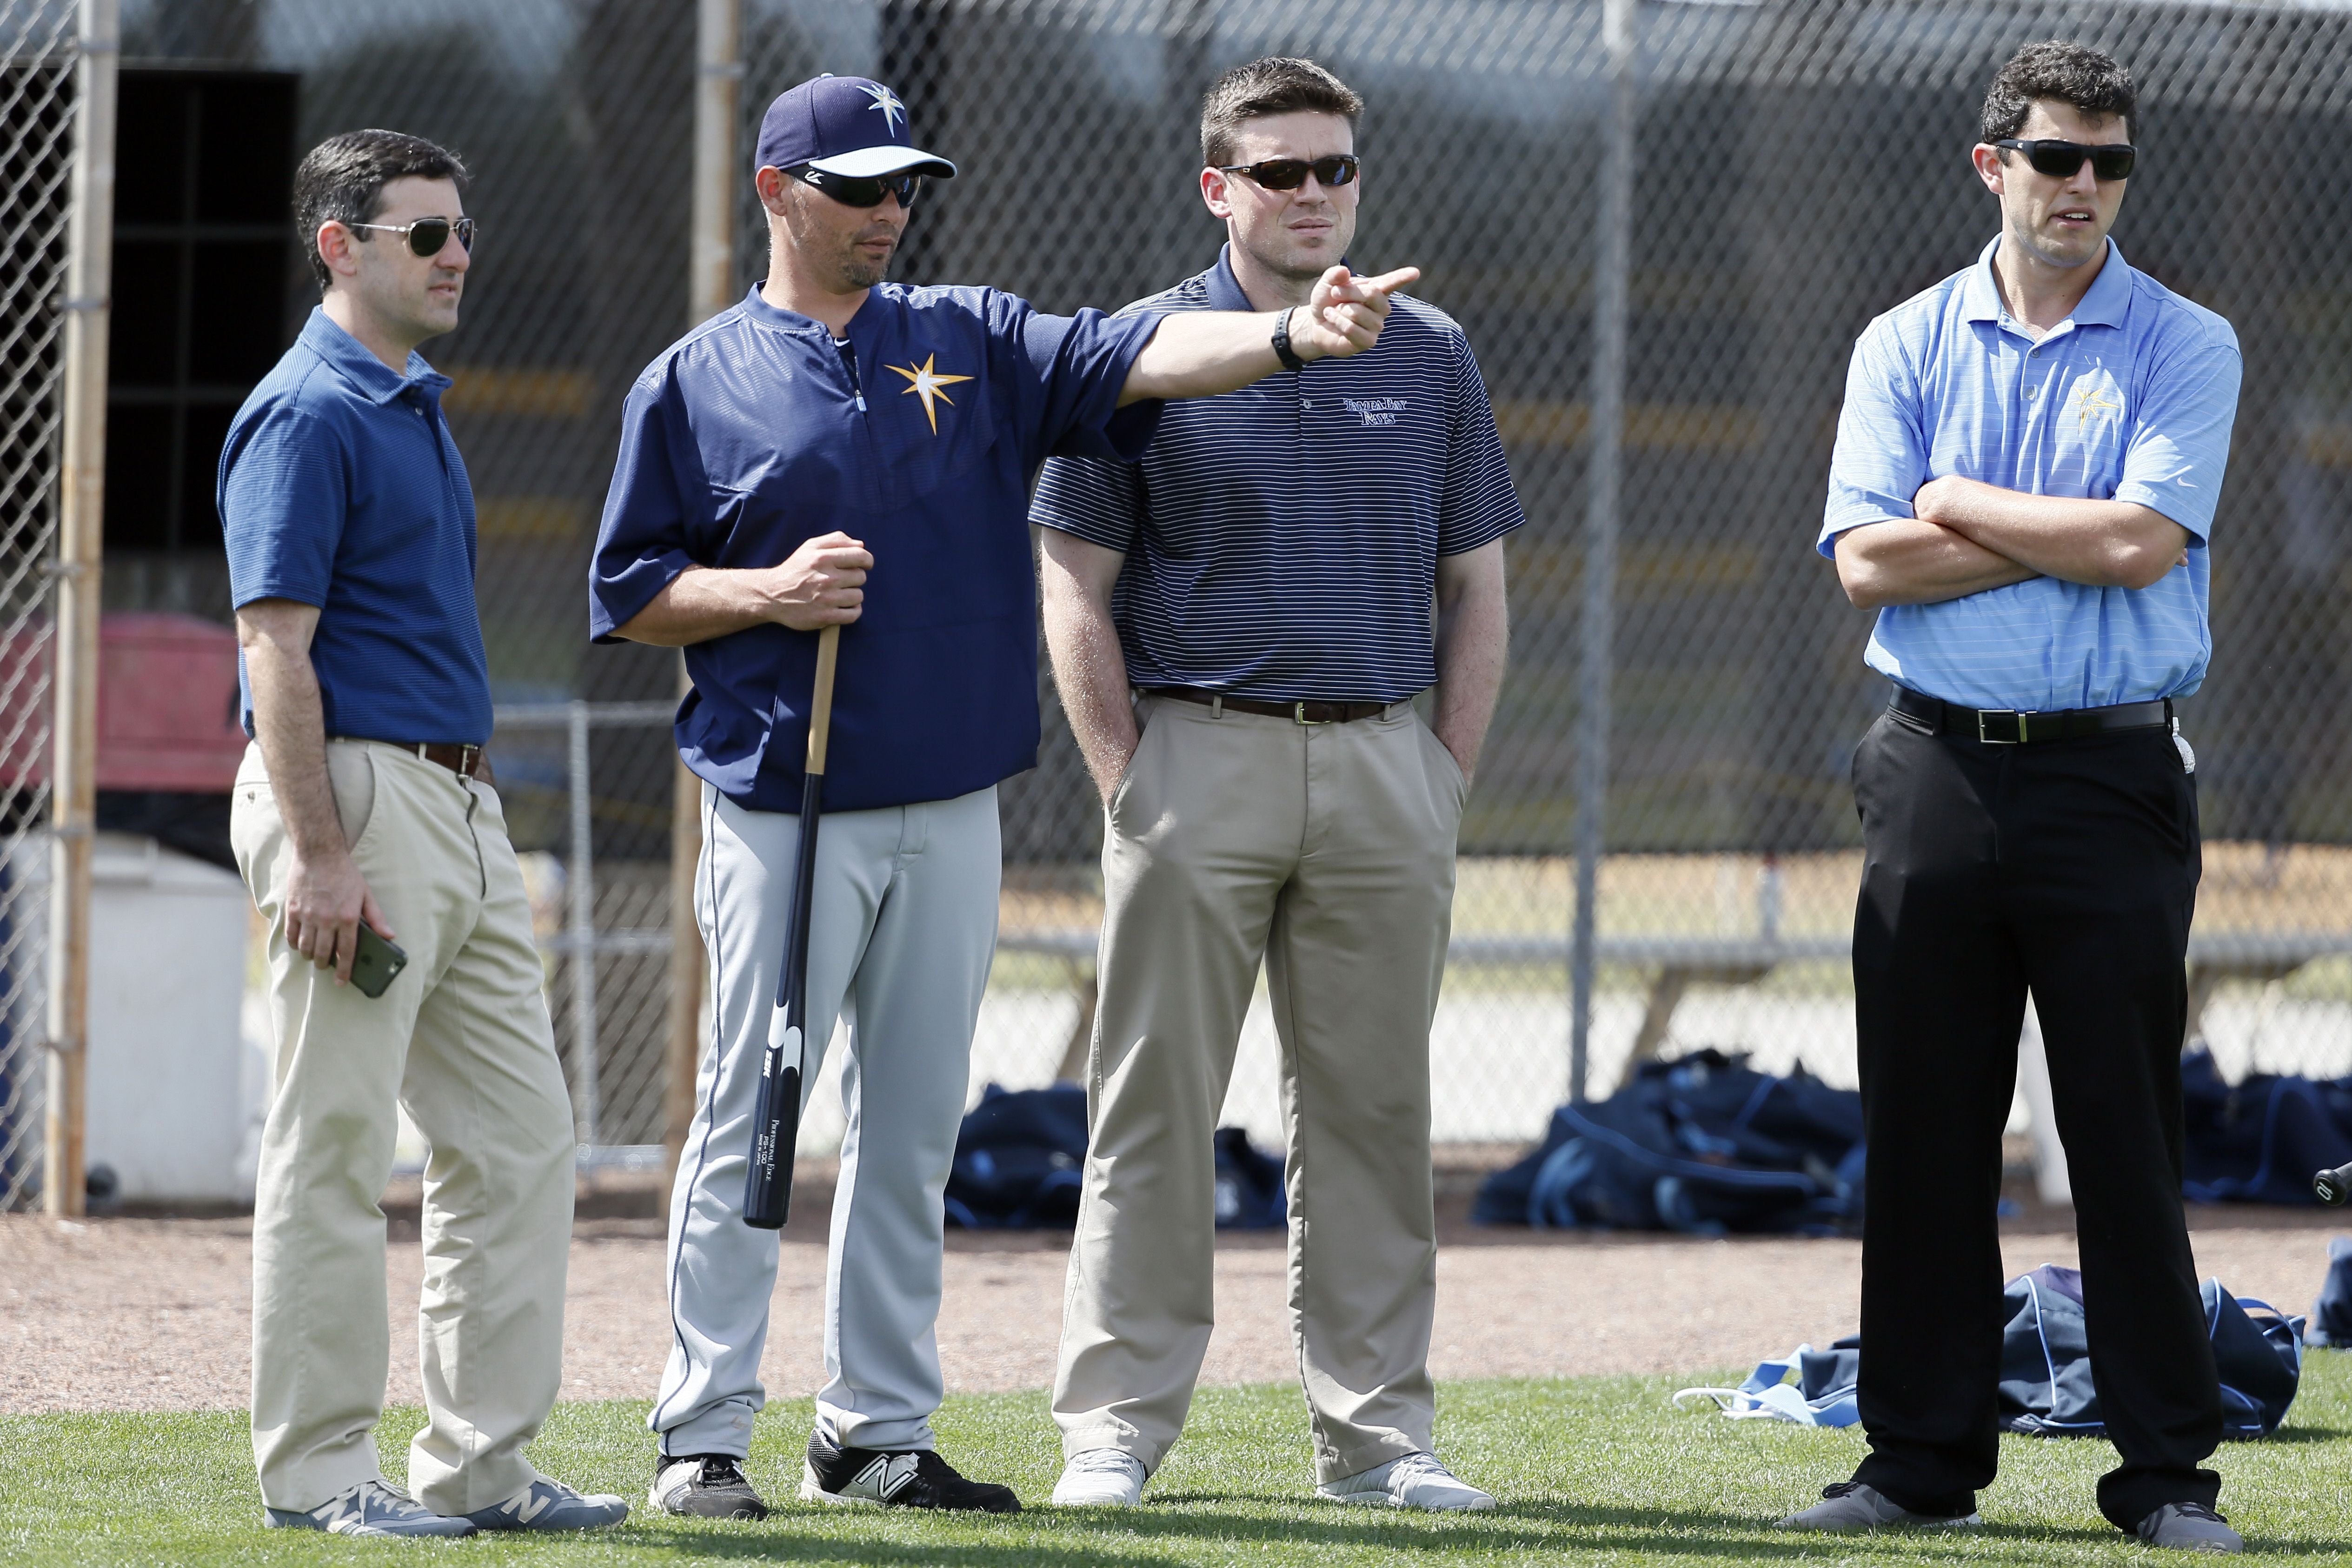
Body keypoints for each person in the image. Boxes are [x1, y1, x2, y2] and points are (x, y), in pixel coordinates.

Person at [590, 72, 1416, 1521]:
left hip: (948, 795)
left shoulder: (968, 335)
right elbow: (633, 590)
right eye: (860, 189)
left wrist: (1290, 335)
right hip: (783, 801)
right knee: (752, 1113)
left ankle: (876, 1430)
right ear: (780, 192)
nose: (891, 211)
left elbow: (1141, 354)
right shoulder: (693, 375)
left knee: (912, 1129)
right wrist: (766, 593)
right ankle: (701, 1428)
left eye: (906, 185)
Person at [1029, 56, 1520, 1511]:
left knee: (1375, 1113)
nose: (1314, 194)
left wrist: (1440, 775)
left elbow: (1477, 589)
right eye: (1281, 171)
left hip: (1384, 765)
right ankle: (1111, 1426)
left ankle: (1378, 1440)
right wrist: (1129, 776)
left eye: (1335, 169)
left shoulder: (1429, 350)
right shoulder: (1139, 346)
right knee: (1151, 1107)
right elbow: (1070, 579)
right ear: (1217, 188)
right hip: (1198, 755)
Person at [1781, 41, 2243, 1554]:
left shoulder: (2186, 340)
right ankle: (1916, 1461)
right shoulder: (1901, 342)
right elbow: (1862, 563)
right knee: (1923, 1128)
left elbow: (2140, 547)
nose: (2086, 189)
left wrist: (1954, 502)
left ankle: (2165, 1474)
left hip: (2112, 769)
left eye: (2110, 163)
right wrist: (2070, 526)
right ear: (1994, 166)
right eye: (2057, 159)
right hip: (1930, 761)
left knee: (2122, 1130)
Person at [223, 130, 627, 1539]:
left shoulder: (410, 401)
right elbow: (276, 645)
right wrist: (324, 853)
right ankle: (323, 1474)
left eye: (462, 228)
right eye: (427, 233)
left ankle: (483, 1467)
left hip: (454, 803)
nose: (461, 253)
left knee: (521, 1139)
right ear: (339, 246)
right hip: (355, 799)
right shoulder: (310, 411)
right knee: (333, 1142)